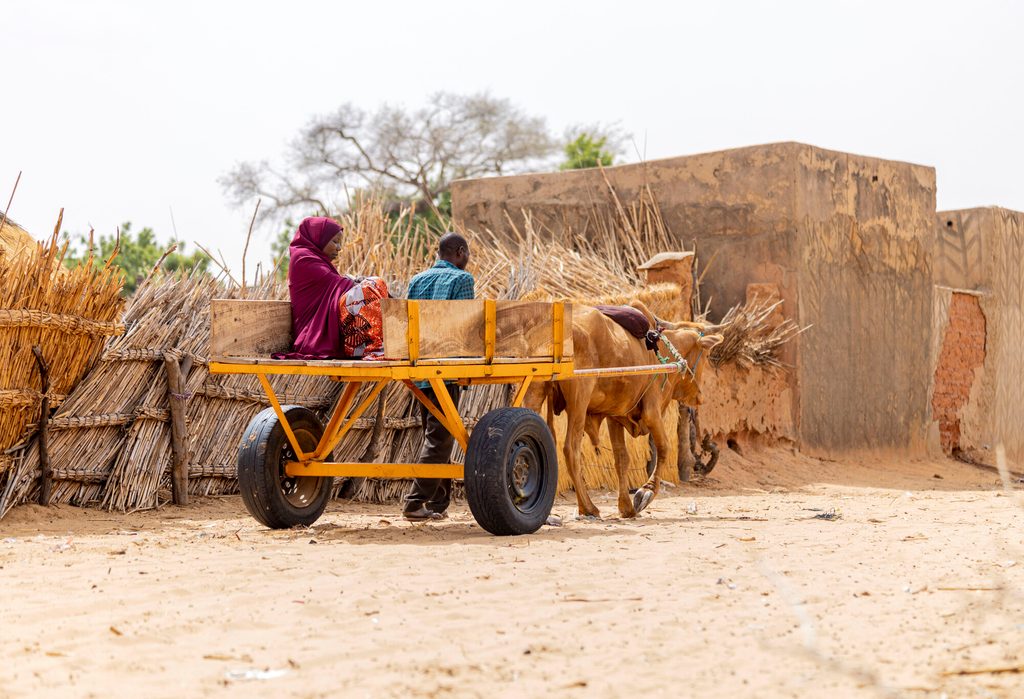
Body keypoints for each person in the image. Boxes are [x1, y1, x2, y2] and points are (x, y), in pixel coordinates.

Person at [402, 232, 474, 521]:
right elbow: (467, 326)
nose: (468, 260)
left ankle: (437, 503)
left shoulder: (416, 281)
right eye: (467, 254)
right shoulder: (462, 280)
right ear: (459, 252)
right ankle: (413, 502)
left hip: (420, 369)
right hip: (446, 369)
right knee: (440, 438)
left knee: (436, 434)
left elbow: (406, 321)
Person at [278, 216, 388, 360]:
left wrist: (356, 282)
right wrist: (360, 283)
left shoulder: (313, 258)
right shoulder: (303, 258)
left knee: (371, 285)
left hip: (319, 329)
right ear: (318, 238)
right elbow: (336, 285)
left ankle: (371, 345)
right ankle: (372, 347)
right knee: (371, 286)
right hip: (313, 335)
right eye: (335, 241)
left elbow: (335, 286)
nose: (339, 248)